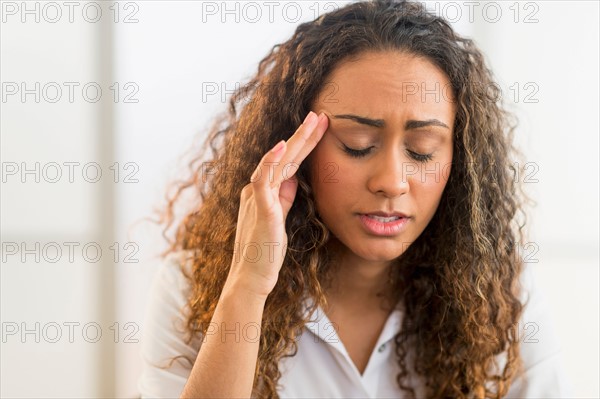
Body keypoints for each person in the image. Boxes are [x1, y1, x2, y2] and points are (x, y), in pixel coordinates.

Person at [138, 0, 573, 398]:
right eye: (357, 144)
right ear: (297, 148)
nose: (391, 182)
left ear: (460, 162)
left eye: (422, 149)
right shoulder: (194, 288)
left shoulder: (499, 295)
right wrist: (249, 288)